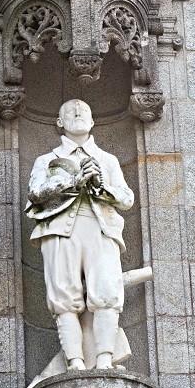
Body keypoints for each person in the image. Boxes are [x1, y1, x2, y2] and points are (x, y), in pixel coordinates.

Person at [26, 99, 134, 371]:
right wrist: (73, 181)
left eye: (84, 110)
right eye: (70, 111)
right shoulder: (46, 160)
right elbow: (35, 194)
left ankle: (105, 359)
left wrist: (100, 185)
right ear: (59, 122)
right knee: (63, 297)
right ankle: (74, 362)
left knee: (107, 293)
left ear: (93, 121)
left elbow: (126, 198)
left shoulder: (107, 160)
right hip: (61, 233)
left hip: (100, 230)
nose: (78, 112)